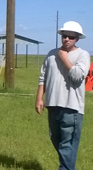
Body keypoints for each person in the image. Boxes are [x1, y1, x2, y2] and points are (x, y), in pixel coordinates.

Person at [36, 21, 90, 170]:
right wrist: (39, 98)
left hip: (71, 108)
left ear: (77, 39)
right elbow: (43, 77)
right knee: (56, 140)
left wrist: (64, 57)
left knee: (67, 145)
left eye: (70, 37)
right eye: (64, 36)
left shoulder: (83, 55)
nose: (66, 39)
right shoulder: (51, 54)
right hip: (52, 105)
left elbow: (78, 76)